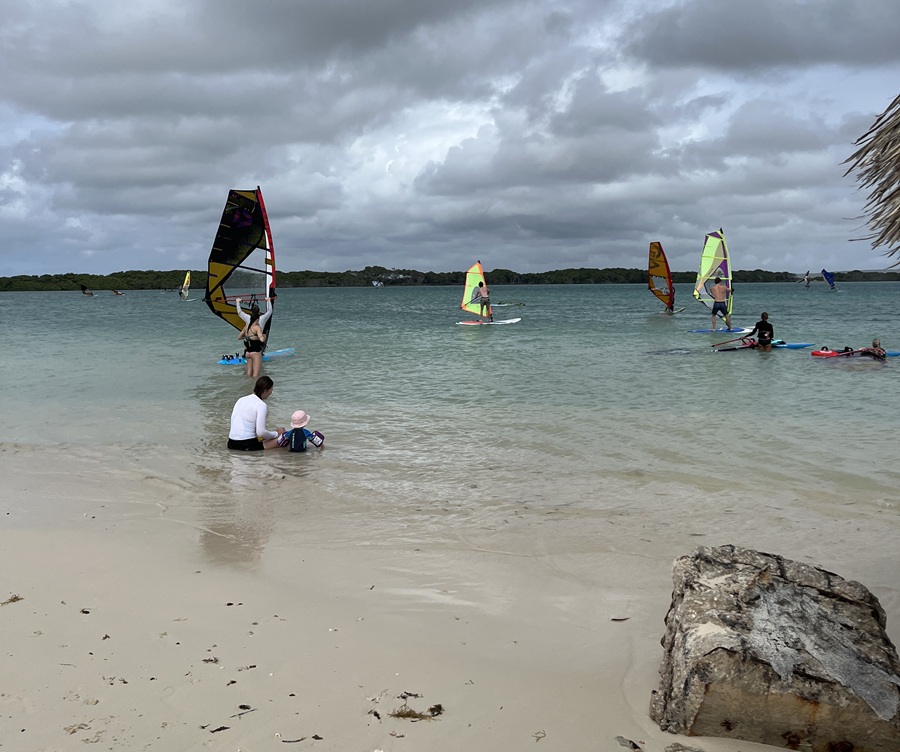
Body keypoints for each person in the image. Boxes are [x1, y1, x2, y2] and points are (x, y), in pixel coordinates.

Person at [227, 376, 285, 451]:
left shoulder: (241, 399)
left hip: (231, 443)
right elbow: (260, 432)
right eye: (271, 390)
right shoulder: (261, 405)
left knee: (265, 436)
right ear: (265, 391)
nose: (271, 392)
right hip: (246, 445)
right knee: (284, 439)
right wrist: (276, 433)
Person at [238, 307, 267, 379]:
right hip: (256, 353)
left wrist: (250, 337)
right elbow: (262, 340)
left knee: (249, 374)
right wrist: (264, 336)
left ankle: (247, 387)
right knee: (256, 375)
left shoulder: (247, 326)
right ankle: (254, 388)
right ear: (257, 319)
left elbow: (239, 337)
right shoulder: (257, 327)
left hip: (248, 353)